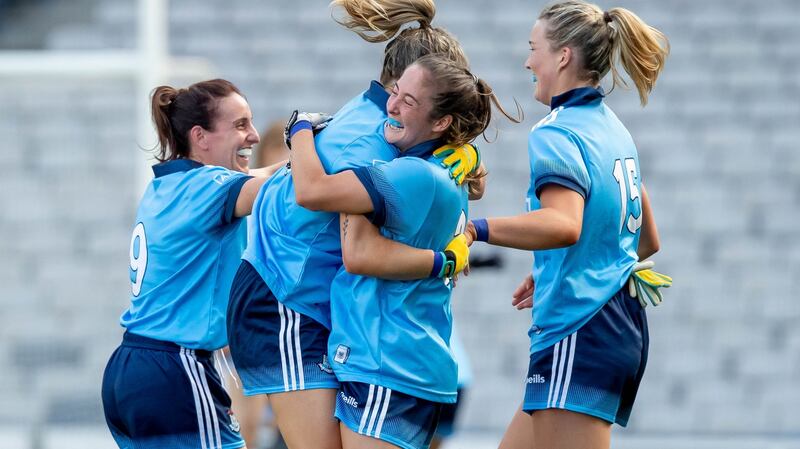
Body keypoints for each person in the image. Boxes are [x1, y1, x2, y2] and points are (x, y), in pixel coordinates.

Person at [225, 2, 481, 448]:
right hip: (285, 297)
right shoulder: (377, 138)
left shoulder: (380, 119)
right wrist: (441, 261)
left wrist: (469, 155)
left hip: (303, 297)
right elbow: (321, 201)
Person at [462, 2, 670, 448]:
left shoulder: (557, 131)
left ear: (562, 57)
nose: (527, 61)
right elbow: (644, 239)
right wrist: (557, 267)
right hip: (607, 325)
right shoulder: (613, 128)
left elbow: (563, 223)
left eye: (534, 48)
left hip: (581, 328)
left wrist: (476, 228)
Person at [287, 53, 516, 449]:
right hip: (402, 359)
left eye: (409, 101)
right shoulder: (446, 168)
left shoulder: (412, 174)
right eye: (396, 92)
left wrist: (300, 128)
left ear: (442, 122)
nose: (392, 105)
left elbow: (314, 194)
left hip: (386, 361)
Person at [101, 79, 285, 449]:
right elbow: (286, 187)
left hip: (129, 367)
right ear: (200, 136)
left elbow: (263, 175)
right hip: (176, 368)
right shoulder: (209, 187)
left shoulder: (167, 185)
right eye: (240, 125)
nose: (252, 136)